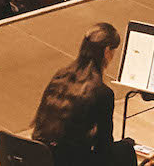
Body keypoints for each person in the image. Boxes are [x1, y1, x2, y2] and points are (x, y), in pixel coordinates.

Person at [31, 22, 137, 166]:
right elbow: (104, 146)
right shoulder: (102, 93)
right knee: (126, 149)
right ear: (107, 51)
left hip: (43, 157)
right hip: (72, 161)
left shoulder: (60, 76)